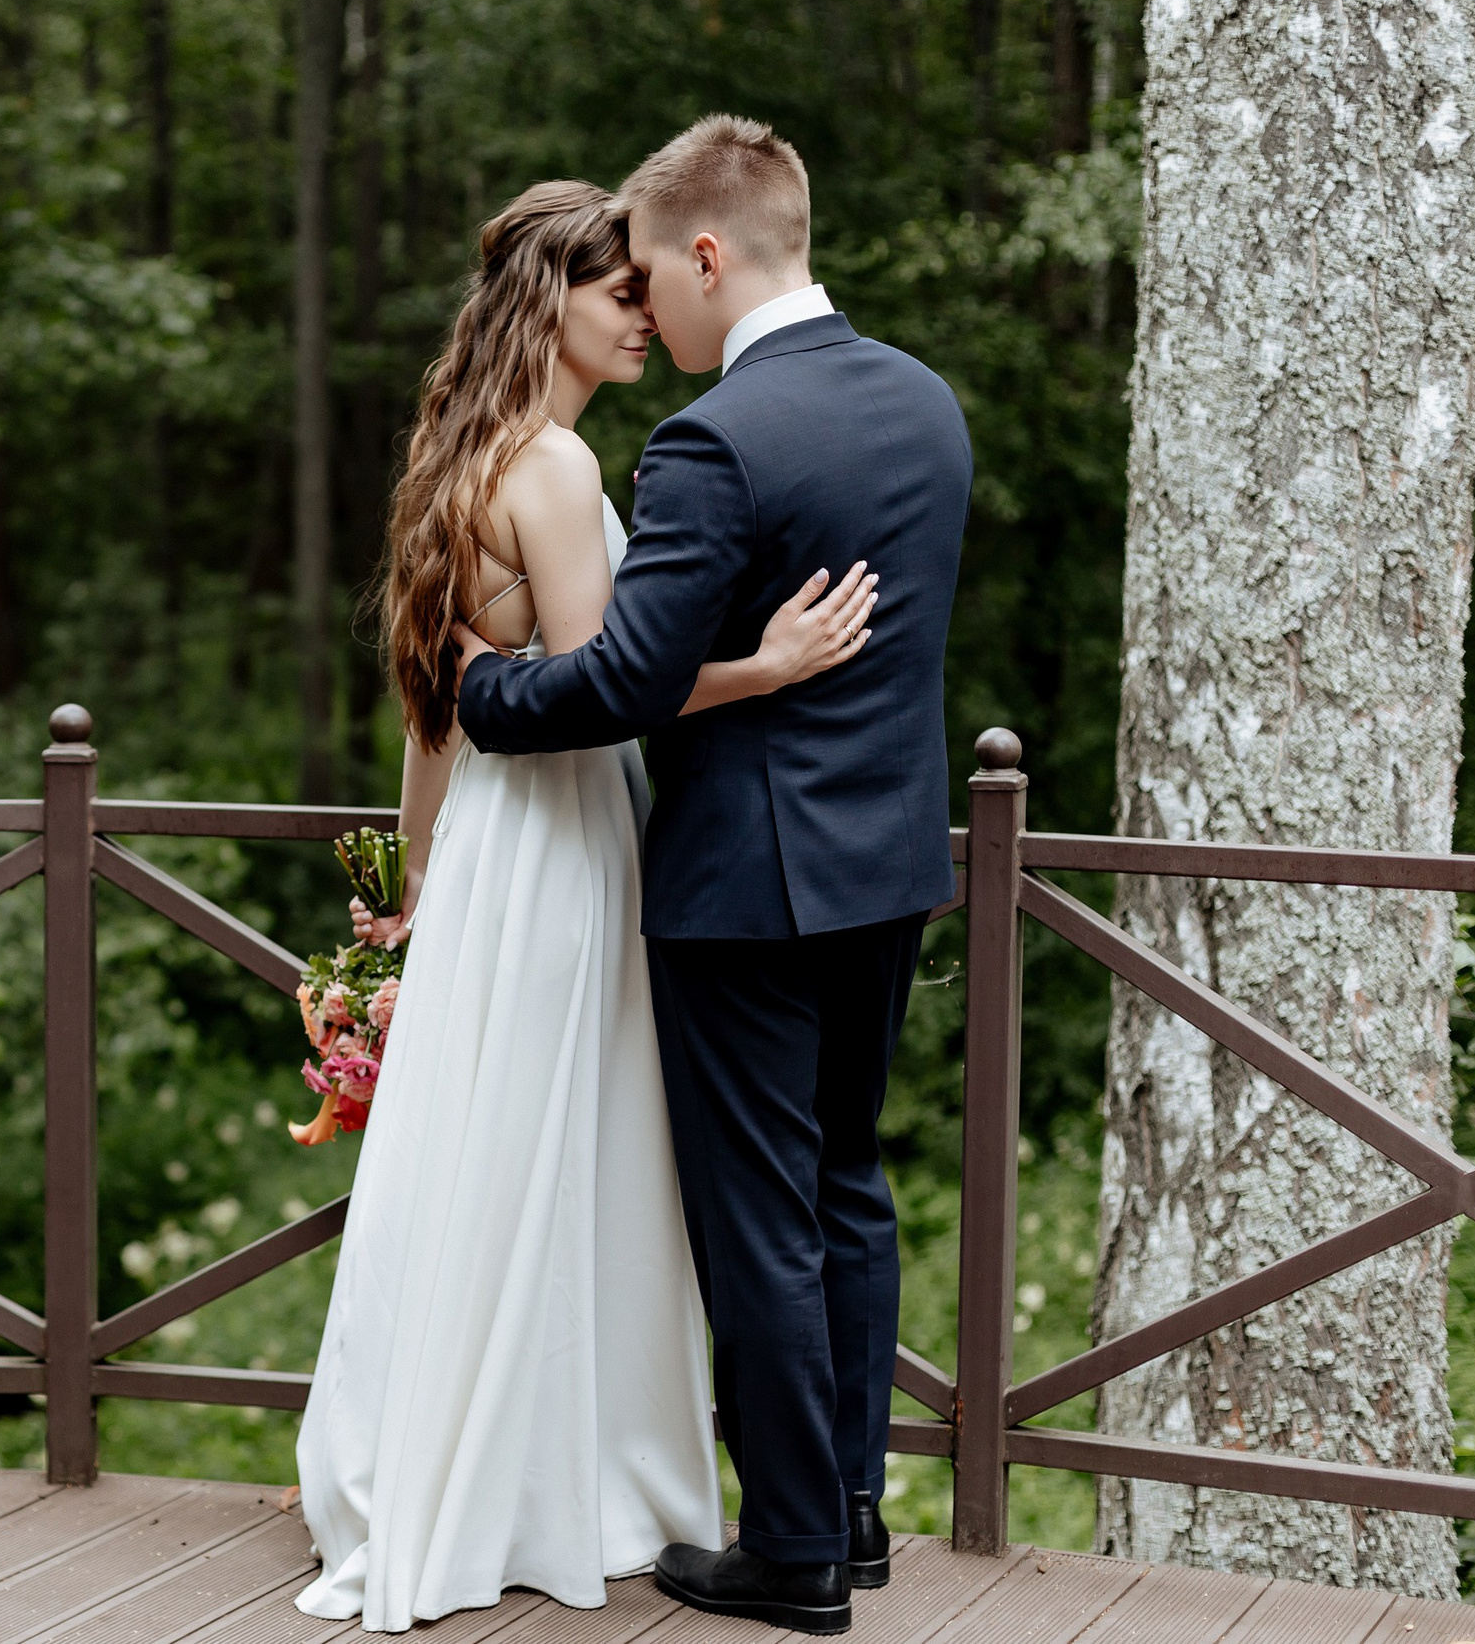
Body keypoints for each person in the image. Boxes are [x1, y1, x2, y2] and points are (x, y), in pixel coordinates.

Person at [293, 177, 879, 1634]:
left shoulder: (462, 451)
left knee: (504, 1142)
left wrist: (419, 872)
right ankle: (550, 1473)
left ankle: (499, 1456)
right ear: (545, 298)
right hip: (565, 842)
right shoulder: (551, 469)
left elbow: (433, 713)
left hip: (498, 843)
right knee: (568, 1141)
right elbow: (606, 688)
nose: (643, 313)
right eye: (616, 291)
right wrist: (775, 666)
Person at [454, 118, 971, 1637]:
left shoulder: (718, 440)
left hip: (743, 882)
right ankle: (860, 1516)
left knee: (757, 1215)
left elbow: (617, 679)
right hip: (885, 865)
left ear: (705, 253)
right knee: (848, 1188)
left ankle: (794, 1550)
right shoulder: (925, 404)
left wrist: (474, 688)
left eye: (653, 283)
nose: (650, 320)